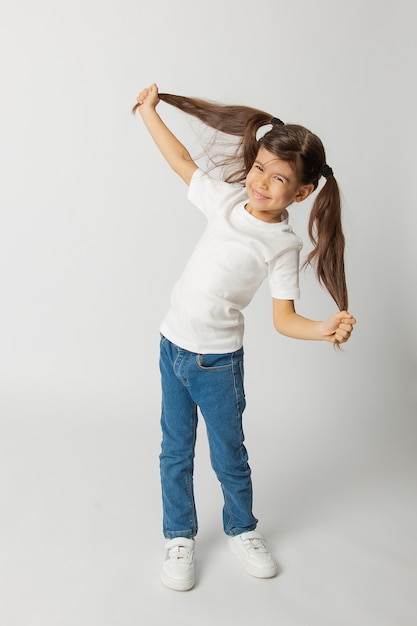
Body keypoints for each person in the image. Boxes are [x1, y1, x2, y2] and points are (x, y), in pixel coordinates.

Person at [133, 83, 356, 591]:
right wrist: (149, 112)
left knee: (229, 455)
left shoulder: (281, 243)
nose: (260, 182)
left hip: (216, 365)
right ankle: (179, 536)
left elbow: (284, 318)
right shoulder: (227, 201)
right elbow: (181, 161)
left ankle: (242, 529)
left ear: (300, 193)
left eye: (278, 179)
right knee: (174, 451)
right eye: (259, 168)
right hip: (171, 347)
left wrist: (323, 329)